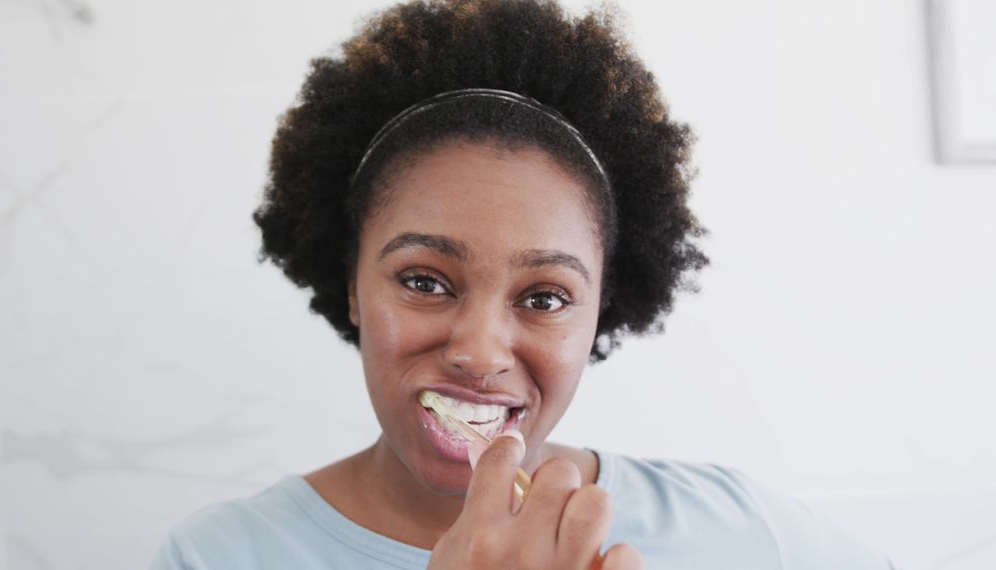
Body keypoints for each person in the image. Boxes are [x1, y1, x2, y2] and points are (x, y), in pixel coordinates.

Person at [150, 0, 897, 568]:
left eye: (544, 298)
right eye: (424, 281)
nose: (479, 352)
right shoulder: (221, 556)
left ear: (601, 310)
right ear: (352, 284)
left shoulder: (740, 533)